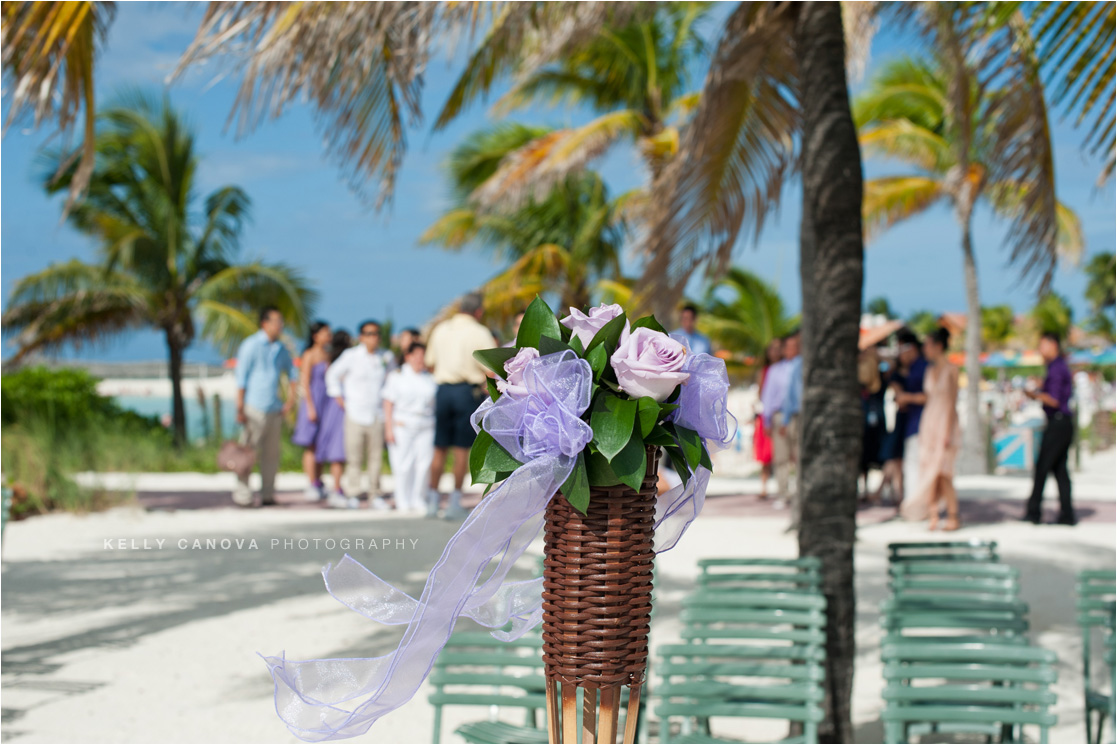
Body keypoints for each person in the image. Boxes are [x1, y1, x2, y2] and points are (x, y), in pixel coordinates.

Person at [425, 292, 497, 519]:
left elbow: (430, 363)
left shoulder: (441, 329)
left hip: (443, 390)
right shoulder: (479, 332)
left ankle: (432, 500)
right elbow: (490, 369)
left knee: (439, 447)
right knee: (461, 450)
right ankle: (454, 502)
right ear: (479, 312)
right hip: (467, 392)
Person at [233, 306, 296, 507]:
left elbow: (293, 373)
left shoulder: (281, 348)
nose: (280, 326)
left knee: (271, 455)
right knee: (247, 454)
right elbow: (241, 378)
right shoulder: (251, 345)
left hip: (274, 408)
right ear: (265, 323)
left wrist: (290, 401)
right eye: (277, 321)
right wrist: (240, 408)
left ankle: (268, 494)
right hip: (254, 406)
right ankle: (243, 496)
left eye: (281, 322)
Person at [899, 328, 961, 531]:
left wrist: (948, 431)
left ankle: (953, 515)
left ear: (938, 346)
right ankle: (933, 514)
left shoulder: (951, 370)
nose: (925, 349)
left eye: (928, 344)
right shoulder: (929, 370)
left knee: (943, 472)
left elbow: (952, 403)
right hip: (929, 423)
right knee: (929, 469)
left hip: (945, 423)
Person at [326, 319, 390, 510]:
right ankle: (353, 492)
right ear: (361, 337)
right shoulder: (351, 355)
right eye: (369, 334)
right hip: (354, 413)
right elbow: (332, 375)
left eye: (376, 334)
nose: (373, 338)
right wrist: (340, 400)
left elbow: (392, 379)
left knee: (375, 457)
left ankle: (374, 493)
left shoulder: (385, 356)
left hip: (376, 413)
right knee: (354, 457)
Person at [1022, 332, 1077, 525]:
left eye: (1042, 345)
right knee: (1060, 470)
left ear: (1053, 345)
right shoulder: (1058, 366)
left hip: (1058, 423)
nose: (1040, 349)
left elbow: (1053, 400)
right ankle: (1067, 514)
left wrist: (1035, 394)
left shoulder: (1056, 368)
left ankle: (1034, 512)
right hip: (1063, 423)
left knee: (1043, 467)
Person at [383, 342, 438, 515]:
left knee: (424, 463)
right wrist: (388, 428)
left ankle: (418, 498)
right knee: (403, 464)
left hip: (426, 424)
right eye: (416, 355)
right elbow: (388, 402)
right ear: (408, 356)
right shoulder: (397, 376)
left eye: (422, 355)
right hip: (403, 424)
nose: (419, 359)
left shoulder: (429, 377)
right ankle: (402, 499)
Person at [291, 321, 332, 501]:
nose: (328, 336)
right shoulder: (309, 354)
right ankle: (311, 481)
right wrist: (309, 407)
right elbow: (305, 382)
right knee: (311, 444)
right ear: (316, 335)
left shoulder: (327, 354)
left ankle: (319, 480)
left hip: (326, 401)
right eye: (325, 333)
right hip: (313, 402)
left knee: (321, 443)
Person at [317, 329, 351, 502]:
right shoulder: (344, 360)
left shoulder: (329, 358)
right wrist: (343, 402)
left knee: (336, 448)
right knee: (338, 449)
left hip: (333, 406)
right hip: (340, 406)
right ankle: (336, 488)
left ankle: (335, 486)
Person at [894, 329, 927, 507]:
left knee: (916, 465)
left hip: (921, 423)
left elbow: (930, 395)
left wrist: (906, 397)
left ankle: (916, 505)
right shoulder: (910, 368)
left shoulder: (923, 367)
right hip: (910, 422)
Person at [777, 330, 803, 528]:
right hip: (793, 416)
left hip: (801, 416)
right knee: (786, 457)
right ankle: (787, 492)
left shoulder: (800, 364)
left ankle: (799, 494)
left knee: (799, 457)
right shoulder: (790, 366)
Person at [753, 338, 782, 498]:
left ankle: (780, 487)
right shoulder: (764, 370)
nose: (775, 352)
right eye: (772, 349)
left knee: (779, 453)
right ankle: (764, 487)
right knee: (765, 454)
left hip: (778, 412)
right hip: (765, 414)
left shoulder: (786, 368)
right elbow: (760, 393)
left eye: (778, 348)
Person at [858, 345, 886, 496]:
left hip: (872, 424)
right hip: (863, 422)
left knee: (871, 456)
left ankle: (870, 489)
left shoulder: (878, 384)